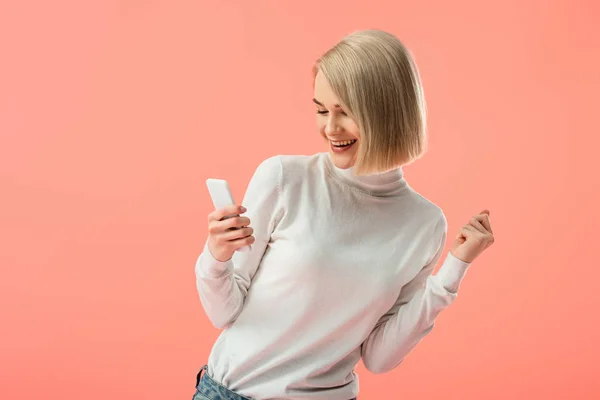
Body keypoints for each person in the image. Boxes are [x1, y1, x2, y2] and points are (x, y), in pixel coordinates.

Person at [193, 29, 495, 400]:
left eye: (345, 113)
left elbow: (380, 358)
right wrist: (216, 257)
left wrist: (452, 272)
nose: (330, 128)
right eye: (321, 109)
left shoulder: (424, 224)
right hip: (230, 393)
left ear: (386, 113)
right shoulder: (285, 178)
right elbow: (224, 312)